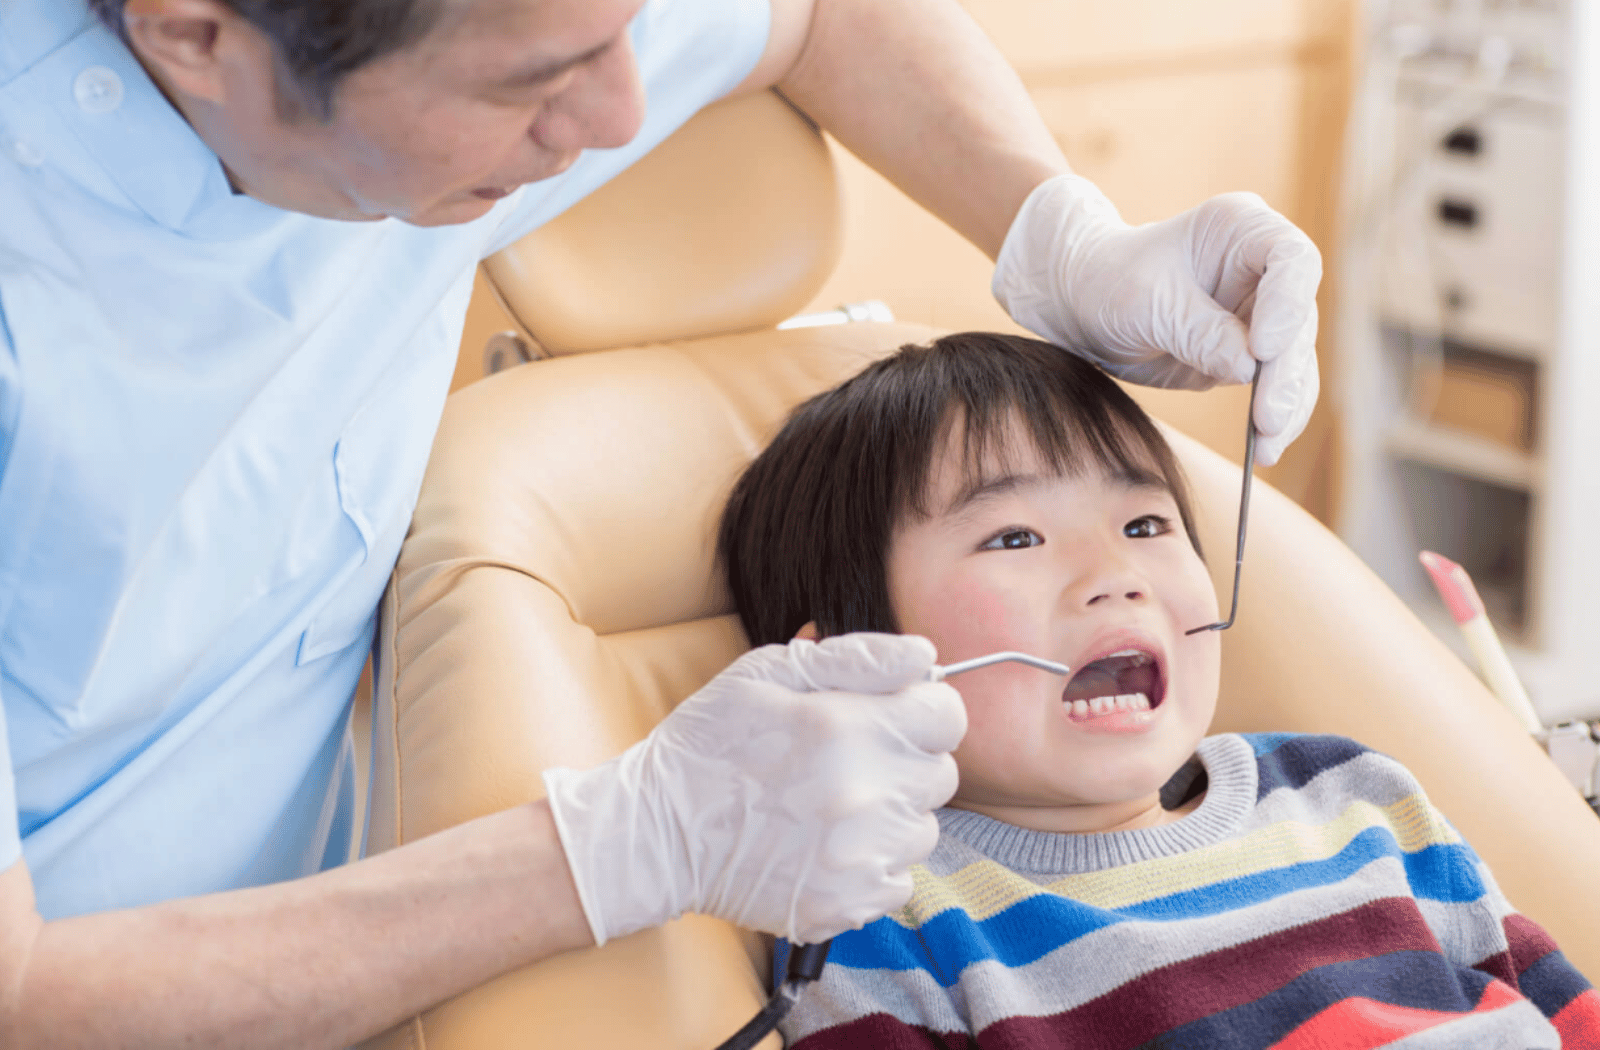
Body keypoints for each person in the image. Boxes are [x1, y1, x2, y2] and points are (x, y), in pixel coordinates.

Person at [0, 0, 1322, 1044]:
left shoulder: (1352, 808)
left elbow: (808, 13)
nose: (628, 111)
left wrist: (1066, 235)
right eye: (531, 79)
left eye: (632, 23)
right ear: (194, 37)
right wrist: (620, 849)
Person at [716, 331, 1600, 1048]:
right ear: (851, 665)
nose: (1116, 573)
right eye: (1016, 538)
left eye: (1144, 523)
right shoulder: (886, 925)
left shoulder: (1355, 796)